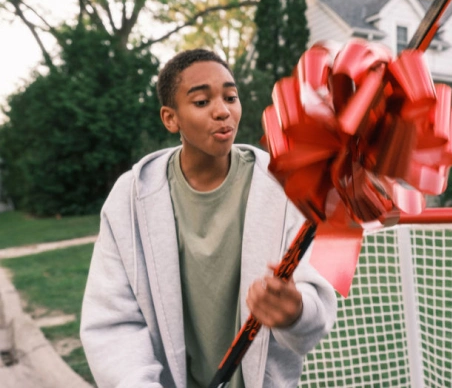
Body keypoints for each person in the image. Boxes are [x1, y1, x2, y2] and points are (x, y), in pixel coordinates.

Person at [80, 49, 337, 388]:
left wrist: (295, 312)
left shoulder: (284, 186)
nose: (222, 111)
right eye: (201, 102)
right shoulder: (130, 199)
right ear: (171, 119)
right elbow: (113, 323)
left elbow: (313, 303)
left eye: (231, 97)